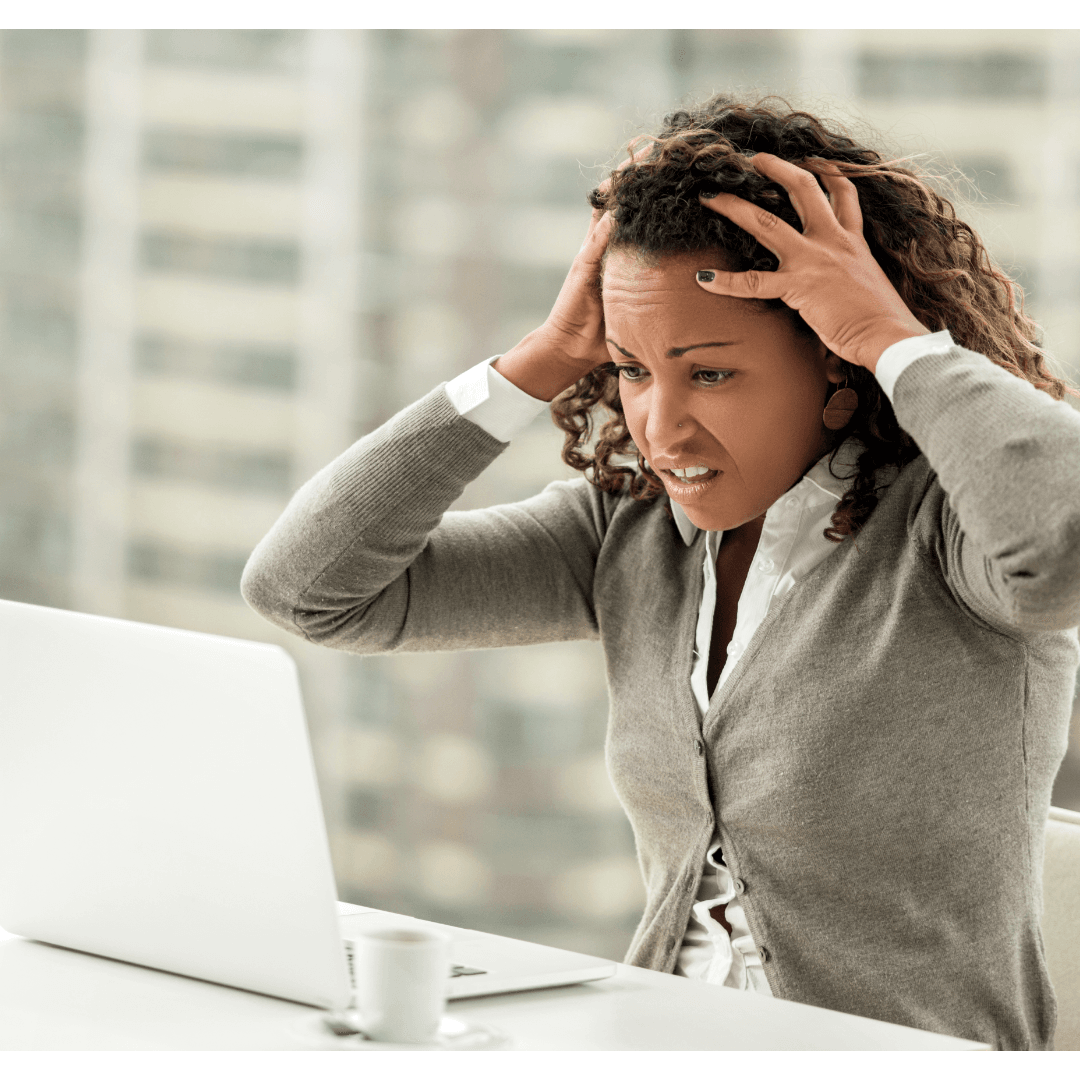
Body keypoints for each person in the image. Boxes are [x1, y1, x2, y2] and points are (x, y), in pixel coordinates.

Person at [241, 96, 1080, 1050]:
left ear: (837, 370)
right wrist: (537, 363)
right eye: (635, 371)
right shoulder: (633, 534)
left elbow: (1062, 547)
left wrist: (893, 338)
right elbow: (308, 590)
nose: (659, 428)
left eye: (711, 374)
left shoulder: (947, 534)